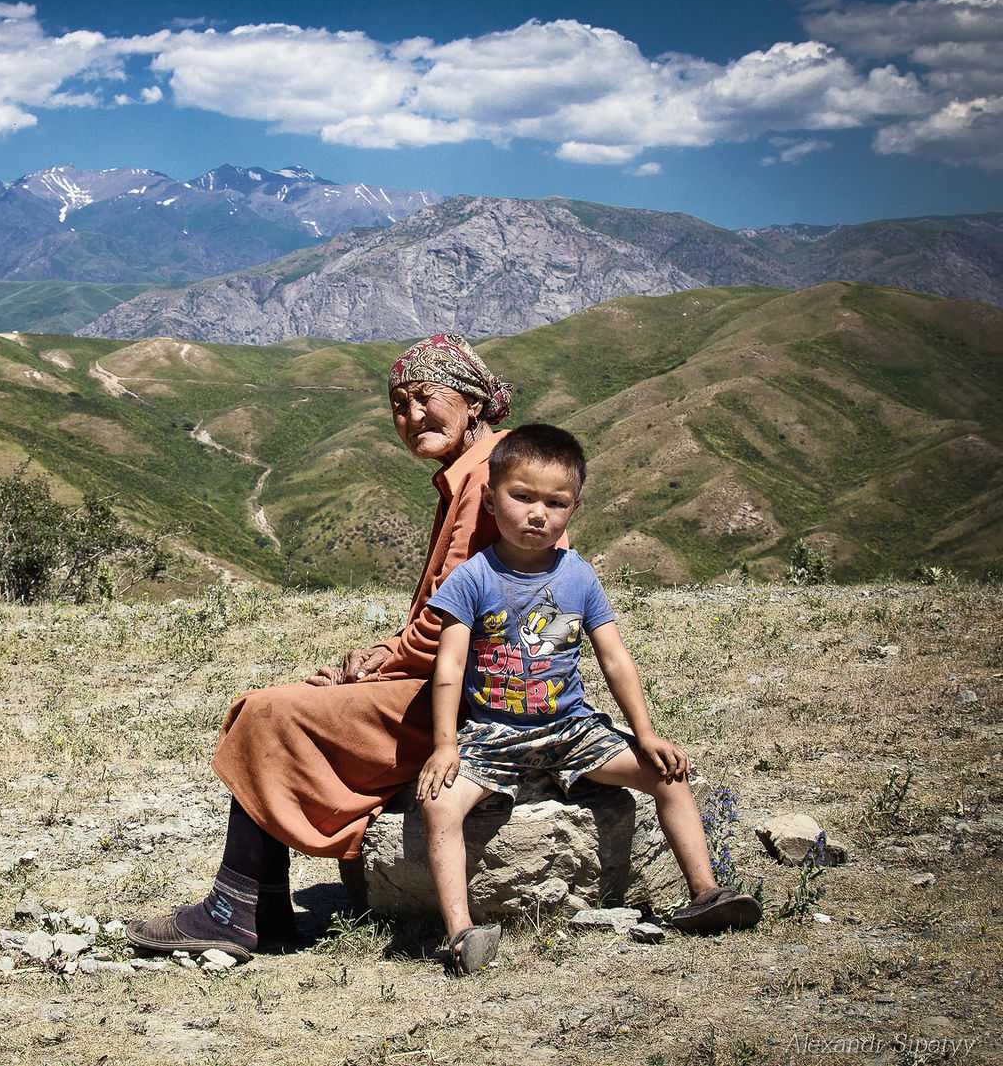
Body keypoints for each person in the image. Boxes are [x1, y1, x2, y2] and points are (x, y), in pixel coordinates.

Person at [125, 333, 519, 961]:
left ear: (471, 401)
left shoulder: (485, 482)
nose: (412, 417)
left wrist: (377, 665)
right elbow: (448, 611)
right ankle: (266, 910)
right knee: (272, 706)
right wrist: (383, 655)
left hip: (461, 695)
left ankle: (235, 912)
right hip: (460, 679)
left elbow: (454, 624)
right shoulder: (478, 472)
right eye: (399, 405)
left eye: (426, 398)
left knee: (269, 712)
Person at [415, 423, 761, 975]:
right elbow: (449, 666)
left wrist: (645, 734)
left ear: (574, 508)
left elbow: (615, 658)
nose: (537, 514)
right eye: (521, 496)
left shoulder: (578, 575)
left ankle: (705, 893)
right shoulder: (471, 578)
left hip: (572, 729)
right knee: (438, 805)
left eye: (556, 503)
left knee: (666, 773)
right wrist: (444, 744)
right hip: (493, 737)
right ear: (488, 496)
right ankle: (460, 933)